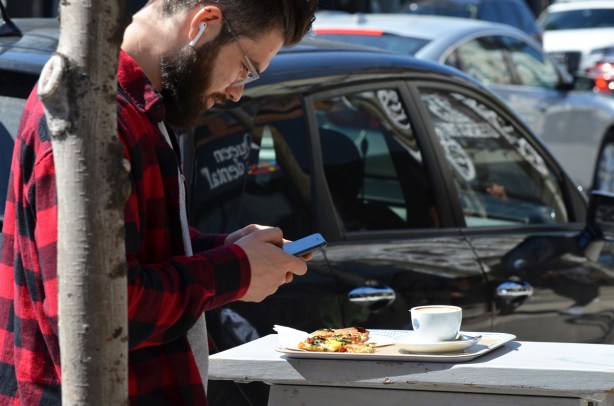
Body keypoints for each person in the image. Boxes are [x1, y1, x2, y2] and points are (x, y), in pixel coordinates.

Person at [0, 0, 317, 404]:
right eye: (246, 67)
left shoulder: (135, 110)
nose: (238, 92)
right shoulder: (95, 123)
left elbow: (136, 253)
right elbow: (96, 314)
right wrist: (232, 271)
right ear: (204, 23)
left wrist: (228, 252)